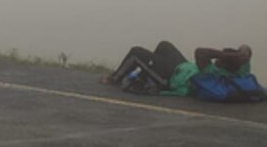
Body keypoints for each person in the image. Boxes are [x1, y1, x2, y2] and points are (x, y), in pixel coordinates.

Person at [102, 41, 253, 96]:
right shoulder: (241, 72)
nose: (217, 59)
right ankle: (148, 76)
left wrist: (226, 55)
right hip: (181, 66)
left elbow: (200, 52)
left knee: (136, 53)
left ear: (226, 63)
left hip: (170, 78)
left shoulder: (212, 74)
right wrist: (238, 54)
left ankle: (113, 79)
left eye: (220, 59)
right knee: (164, 45)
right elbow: (246, 49)